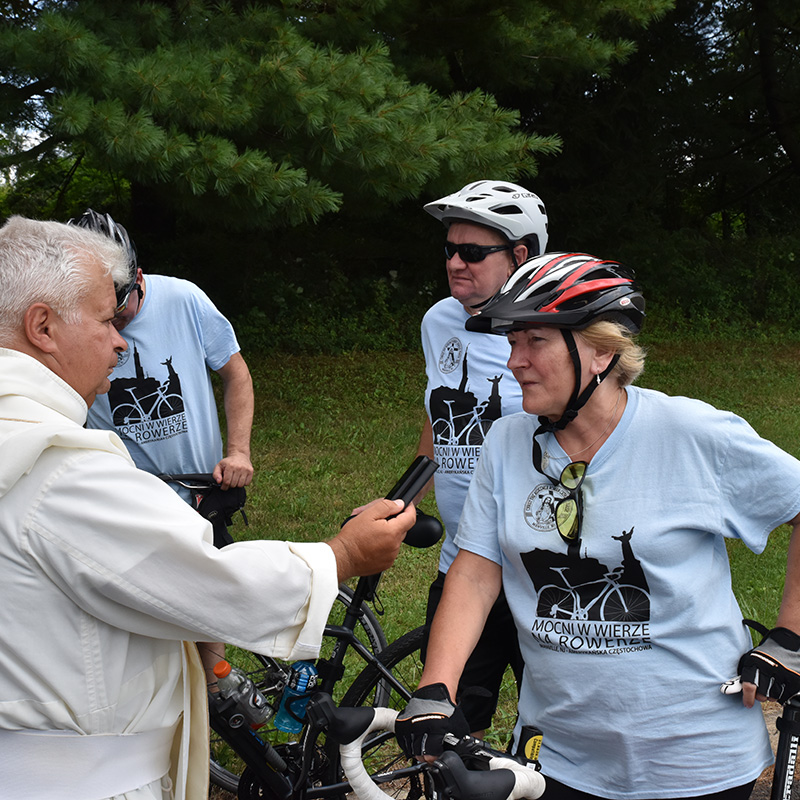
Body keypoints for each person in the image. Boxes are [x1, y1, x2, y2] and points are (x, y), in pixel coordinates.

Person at [0, 215, 415, 800]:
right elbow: (208, 585)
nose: (120, 341)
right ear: (42, 326)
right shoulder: (56, 470)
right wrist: (342, 555)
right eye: (103, 321)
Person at [396, 252, 800, 799]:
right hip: (557, 757)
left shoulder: (688, 432)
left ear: (602, 351)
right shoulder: (507, 443)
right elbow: (475, 572)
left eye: (534, 341)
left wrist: (789, 638)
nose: (514, 361)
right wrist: (435, 688)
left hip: (694, 760)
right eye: (512, 342)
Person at [416, 179, 549, 736]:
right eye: (450, 250)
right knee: (445, 722)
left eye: (473, 252)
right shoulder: (439, 321)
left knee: (551, 726)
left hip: (537, 570)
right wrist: (407, 494)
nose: (455, 263)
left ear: (520, 255)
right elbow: (436, 415)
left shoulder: (554, 335)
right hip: (462, 561)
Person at [73, 210, 254, 500]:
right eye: (99, 315)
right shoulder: (68, 322)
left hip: (200, 493)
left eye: (118, 312)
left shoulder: (184, 299)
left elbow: (236, 374)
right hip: (125, 499)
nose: (112, 327)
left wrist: (239, 453)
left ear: (138, 278)